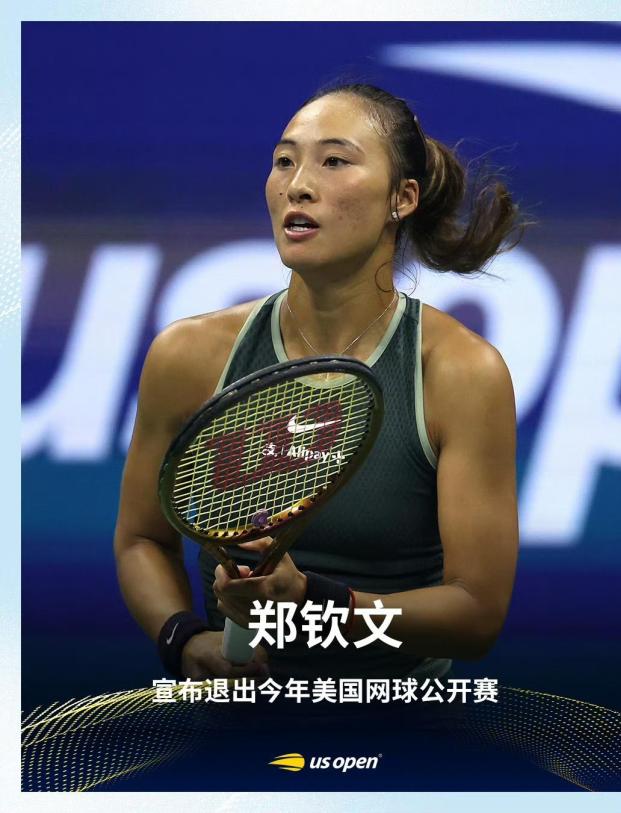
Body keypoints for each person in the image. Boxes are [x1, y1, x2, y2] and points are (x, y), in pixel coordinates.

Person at [114, 82, 523, 685]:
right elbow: (142, 539)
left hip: (403, 718)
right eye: (284, 161)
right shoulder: (189, 356)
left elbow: (476, 614)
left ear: (402, 198)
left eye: (334, 161)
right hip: (234, 720)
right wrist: (184, 637)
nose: (298, 185)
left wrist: (314, 603)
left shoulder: (461, 372)